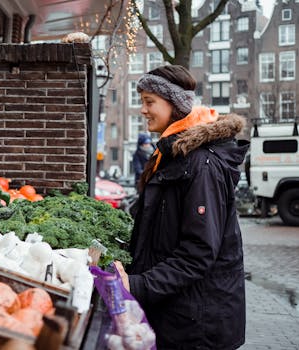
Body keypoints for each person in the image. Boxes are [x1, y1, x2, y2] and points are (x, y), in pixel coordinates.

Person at [114, 65, 249, 349]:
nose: (143, 110)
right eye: (142, 102)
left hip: (197, 323)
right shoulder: (173, 155)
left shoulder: (201, 164)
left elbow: (198, 251)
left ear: (175, 105)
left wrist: (137, 285)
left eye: (150, 102)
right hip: (179, 314)